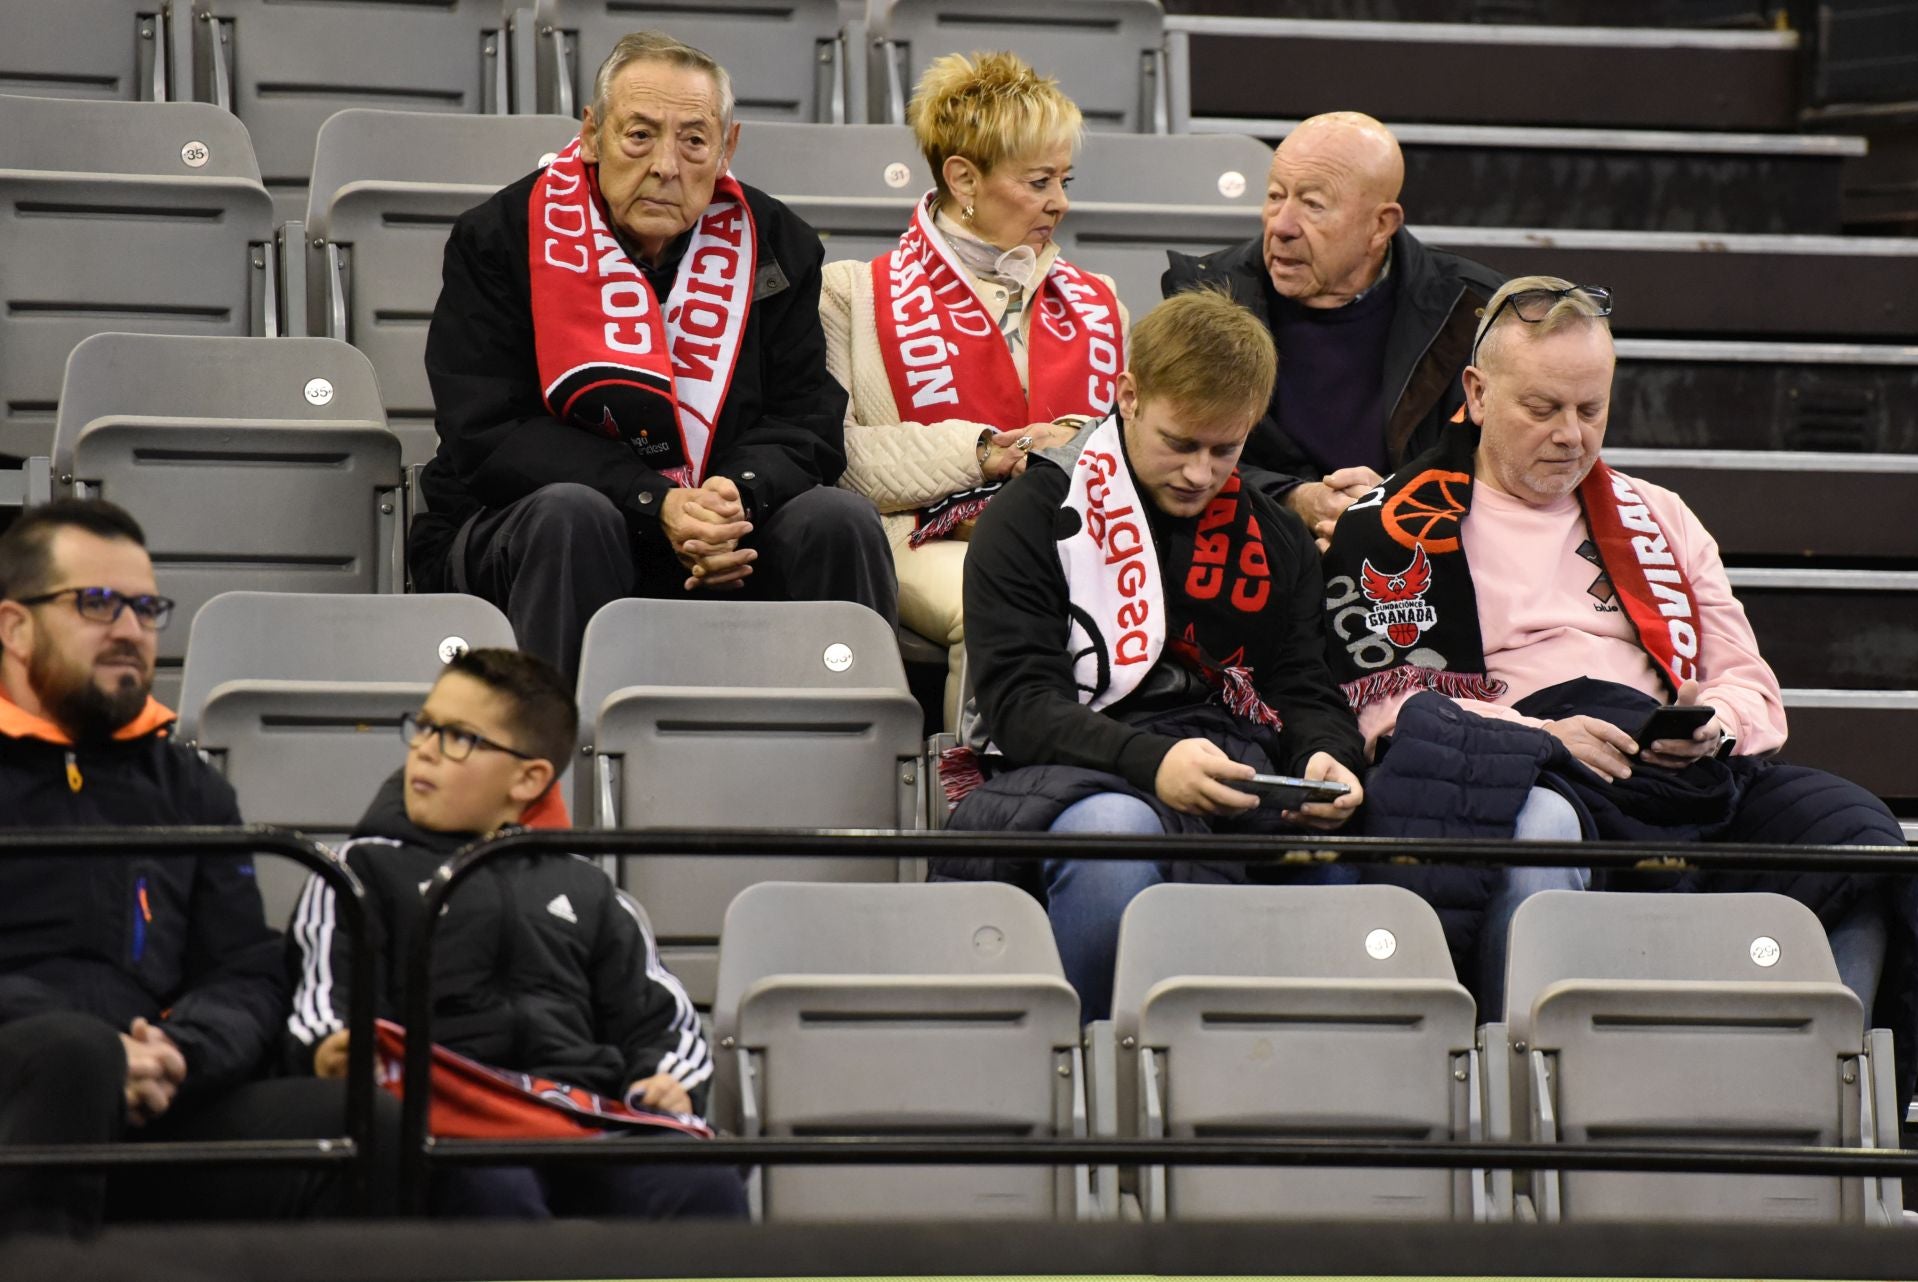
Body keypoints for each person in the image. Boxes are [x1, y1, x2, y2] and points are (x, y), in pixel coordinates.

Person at [1322, 276, 1912, 1037]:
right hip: (1526, 757)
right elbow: (1381, 708)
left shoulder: (1658, 517)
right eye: (1543, 409)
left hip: (1678, 775)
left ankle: (1820, 1102)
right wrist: (1539, 739)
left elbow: (1752, 688)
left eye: (1591, 409)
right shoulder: (1393, 524)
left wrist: (1712, 727)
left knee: (1858, 840)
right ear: (1475, 391)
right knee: (1527, 815)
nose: (1571, 434)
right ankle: (1531, 1100)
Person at [408, 30, 894, 681]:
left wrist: (735, 497)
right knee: (571, 517)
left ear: (728, 148)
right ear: (592, 134)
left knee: (839, 521)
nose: (667, 164)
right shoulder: (502, 237)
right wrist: (651, 501)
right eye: (639, 135)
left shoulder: (777, 244)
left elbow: (805, 415)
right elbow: (489, 433)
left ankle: (846, 747)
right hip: (535, 528)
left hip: (722, 536)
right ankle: (556, 763)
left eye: (694, 140)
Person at [941, 291, 1367, 1020]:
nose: (1200, 474)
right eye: (1180, 443)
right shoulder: (1029, 517)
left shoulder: (1277, 536)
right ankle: (1093, 1083)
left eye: (1225, 450)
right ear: (1128, 395)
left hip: (1228, 770)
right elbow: (1020, 709)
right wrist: (1153, 766)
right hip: (1053, 771)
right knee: (1116, 830)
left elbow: (1303, 687)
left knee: (1344, 867)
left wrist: (1328, 758)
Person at [0, 500, 389, 1236]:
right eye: (97, 604)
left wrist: (181, 1052)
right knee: (72, 1054)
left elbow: (245, 969)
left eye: (146, 609)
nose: (129, 631)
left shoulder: (187, 786)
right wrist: (94, 1047)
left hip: (155, 1091)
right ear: (15, 627)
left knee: (371, 1121)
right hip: (24, 1080)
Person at [284, 647, 745, 1220]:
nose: (424, 749)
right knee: (493, 1194)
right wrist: (331, 1047)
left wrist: (665, 1082)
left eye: (458, 737)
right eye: (424, 726)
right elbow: (323, 1008)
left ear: (529, 779)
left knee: (702, 1185)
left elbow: (666, 1024)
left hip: (585, 1117)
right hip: (447, 1119)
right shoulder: (357, 872)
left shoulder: (591, 891)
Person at [822, 51, 1128, 728]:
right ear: (963, 178)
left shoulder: (1099, 301)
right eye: (1040, 180)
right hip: (921, 535)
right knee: (997, 595)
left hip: (1076, 533)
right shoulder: (852, 291)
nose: (1061, 202)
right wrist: (985, 451)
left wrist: (1068, 445)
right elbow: (840, 461)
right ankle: (986, 802)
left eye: (1065, 179)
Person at [1163, 112, 1505, 548]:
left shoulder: (1474, 311)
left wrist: (1391, 509)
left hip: (1423, 567)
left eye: (1313, 204)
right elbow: (1168, 454)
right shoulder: (1205, 296)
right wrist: (1293, 498)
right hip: (1250, 556)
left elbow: (1497, 470)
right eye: (1275, 196)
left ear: (1380, 226)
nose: (1281, 226)